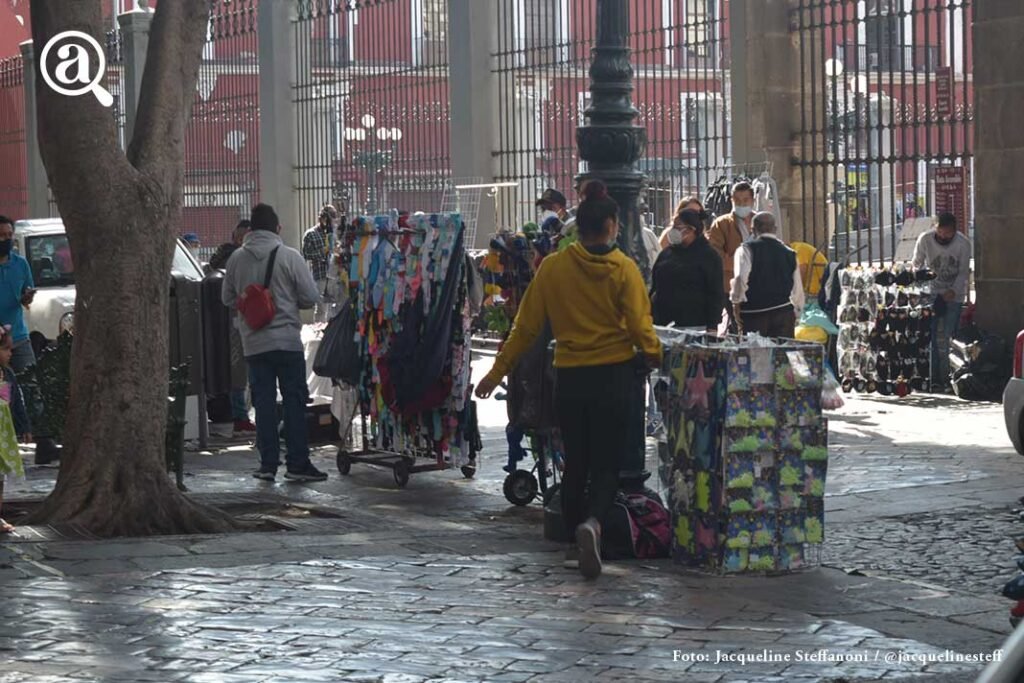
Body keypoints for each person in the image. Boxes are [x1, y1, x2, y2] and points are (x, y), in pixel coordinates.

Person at [475, 180, 662, 580]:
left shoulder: (554, 268)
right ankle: (593, 524)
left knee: (575, 461)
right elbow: (641, 327)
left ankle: (575, 549)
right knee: (608, 461)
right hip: (614, 378)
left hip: (570, 378)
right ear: (612, 225)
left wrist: (495, 373)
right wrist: (655, 356)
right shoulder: (624, 270)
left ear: (578, 229)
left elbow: (525, 329)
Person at [222, 203, 327, 483]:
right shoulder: (289, 256)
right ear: (277, 228)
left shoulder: (236, 260)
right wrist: (285, 301)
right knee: (294, 402)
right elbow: (309, 297)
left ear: (251, 229)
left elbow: (227, 298)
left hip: (254, 344)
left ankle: (267, 465)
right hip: (287, 342)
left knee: (263, 404)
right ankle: (297, 463)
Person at [912, 212, 972, 390]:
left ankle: (947, 376)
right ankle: (932, 377)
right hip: (931, 292)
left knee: (947, 336)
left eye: (948, 233)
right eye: (940, 232)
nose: (944, 236)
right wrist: (921, 278)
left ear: (954, 231)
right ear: (935, 228)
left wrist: (952, 291)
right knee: (929, 334)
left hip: (953, 294)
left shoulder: (963, 244)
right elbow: (916, 264)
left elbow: (963, 272)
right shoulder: (925, 239)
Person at [208, 220, 256, 434]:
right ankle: (240, 416)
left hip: (230, 321)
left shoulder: (228, 258)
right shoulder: (238, 258)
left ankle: (239, 414)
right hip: (238, 321)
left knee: (238, 369)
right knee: (239, 371)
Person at [731, 212, 805, 339]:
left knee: (755, 356)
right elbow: (797, 288)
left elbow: (740, 279)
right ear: (775, 229)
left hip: (754, 313)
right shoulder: (790, 253)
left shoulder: (745, 249)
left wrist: (736, 303)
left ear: (753, 230)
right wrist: (797, 312)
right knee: (781, 355)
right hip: (783, 313)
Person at [650, 209, 724, 333]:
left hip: (694, 325)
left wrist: (712, 326)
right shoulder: (667, 253)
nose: (673, 230)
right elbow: (654, 285)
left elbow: (715, 293)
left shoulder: (709, 256)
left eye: (677, 227)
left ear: (691, 230)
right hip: (662, 323)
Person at [0, 326, 31, 533]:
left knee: (1, 476)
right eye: (6, 349)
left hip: (4, 435)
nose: (10, 353)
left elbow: (17, 402)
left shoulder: (7, 374)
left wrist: (24, 425)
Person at [706, 182, 756, 299]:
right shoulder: (721, 224)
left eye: (745, 200)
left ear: (752, 201)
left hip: (758, 284)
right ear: (731, 200)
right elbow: (716, 258)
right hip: (731, 287)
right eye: (737, 200)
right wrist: (746, 263)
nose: (741, 204)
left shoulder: (761, 221)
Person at [303, 204, 337, 322]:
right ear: (320, 218)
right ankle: (319, 334)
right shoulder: (310, 234)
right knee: (321, 309)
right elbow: (306, 254)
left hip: (334, 276)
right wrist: (322, 252)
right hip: (320, 275)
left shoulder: (334, 234)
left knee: (334, 309)